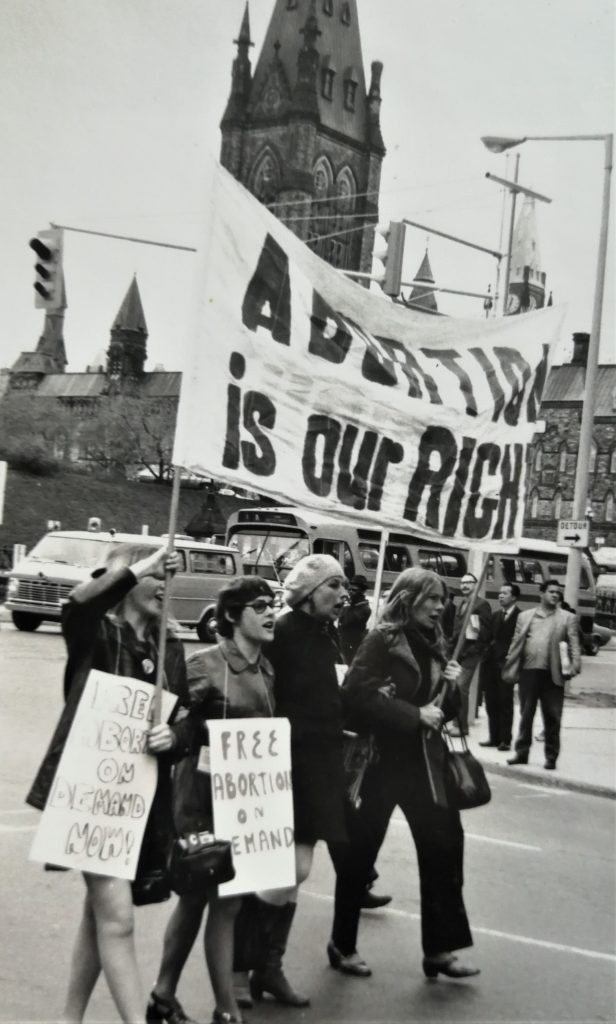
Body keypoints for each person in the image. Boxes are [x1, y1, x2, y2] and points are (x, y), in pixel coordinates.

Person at [26, 545, 192, 1024]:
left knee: (97, 913)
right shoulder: (96, 631)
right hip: (90, 797)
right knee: (118, 917)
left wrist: (173, 735)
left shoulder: (171, 646)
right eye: (156, 575)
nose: (164, 583)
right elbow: (77, 605)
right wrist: (137, 564)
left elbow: (186, 721)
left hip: (136, 800)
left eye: (168, 577)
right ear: (127, 577)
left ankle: (69, 1019)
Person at [329, 567, 479, 981]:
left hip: (425, 767)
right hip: (379, 764)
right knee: (360, 855)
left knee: (444, 848)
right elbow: (356, 694)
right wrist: (413, 714)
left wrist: (454, 687)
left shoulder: (437, 642)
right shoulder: (381, 639)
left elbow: (444, 712)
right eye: (431, 598)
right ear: (408, 598)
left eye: (442, 599)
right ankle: (342, 944)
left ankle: (440, 950)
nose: (440, 606)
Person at [148, 577, 278, 1024]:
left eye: (273, 604)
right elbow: (179, 724)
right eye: (260, 605)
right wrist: (179, 737)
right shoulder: (205, 665)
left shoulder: (266, 668)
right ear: (231, 616)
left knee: (227, 901)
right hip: (201, 801)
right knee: (197, 899)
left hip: (244, 803)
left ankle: (192, 1002)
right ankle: (183, 999)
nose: (270, 612)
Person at [249, 554, 349, 1007]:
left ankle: (267, 966)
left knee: (298, 869)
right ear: (309, 592)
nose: (343, 596)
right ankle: (248, 964)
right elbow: (265, 699)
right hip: (288, 764)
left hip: (320, 764)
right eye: (334, 586)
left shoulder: (326, 635)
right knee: (284, 869)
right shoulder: (283, 633)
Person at [503, 579, 581, 770]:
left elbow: (574, 645)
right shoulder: (526, 617)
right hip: (529, 672)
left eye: (557, 593)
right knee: (526, 714)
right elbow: (515, 642)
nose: (555, 595)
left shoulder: (566, 618)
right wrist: (510, 663)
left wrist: (574, 666)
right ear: (542, 593)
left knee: (552, 717)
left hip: (552, 674)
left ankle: (551, 756)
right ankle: (521, 753)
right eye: (551, 592)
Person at [478, 582, 520, 751]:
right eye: (500, 592)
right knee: (491, 702)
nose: (500, 595)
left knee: (505, 703)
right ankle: (493, 737)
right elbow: (486, 638)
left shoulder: (520, 617)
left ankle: (505, 740)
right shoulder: (495, 616)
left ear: (514, 597)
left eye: (505, 593)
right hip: (490, 665)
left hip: (507, 665)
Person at [449, 572, 492, 736]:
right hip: (458, 653)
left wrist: (472, 651)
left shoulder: (482, 604)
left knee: (461, 688)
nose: (464, 586)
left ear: (476, 585)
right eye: (462, 583)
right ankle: (456, 722)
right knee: (454, 688)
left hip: (470, 654)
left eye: (468, 583)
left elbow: (484, 633)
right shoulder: (462, 603)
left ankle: (462, 726)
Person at [338, 574, 371, 663]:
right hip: (343, 646)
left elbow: (347, 621)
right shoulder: (351, 605)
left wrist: (347, 604)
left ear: (362, 592)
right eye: (349, 589)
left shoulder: (364, 609)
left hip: (354, 648)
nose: (350, 592)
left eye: (354, 590)